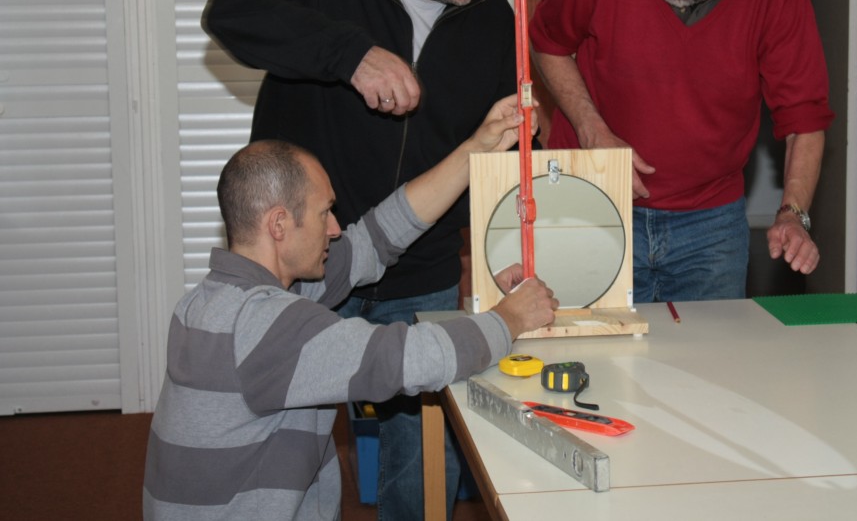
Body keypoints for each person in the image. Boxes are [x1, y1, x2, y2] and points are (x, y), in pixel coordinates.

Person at [201, 0, 518, 519]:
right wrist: (348, 54)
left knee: (424, 457)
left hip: (424, 263)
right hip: (315, 263)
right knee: (294, 446)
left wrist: (505, 244)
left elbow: (495, 151)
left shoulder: (492, 16)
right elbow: (229, 11)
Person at [142, 96, 558, 521]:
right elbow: (408, 358)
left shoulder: (216, 300)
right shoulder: (266, 326)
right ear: (279, 224)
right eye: (324, 213)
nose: (335, 227)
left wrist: (476, 148)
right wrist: (510, 318)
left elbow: (376, 237)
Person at [529, 0, 835, 303]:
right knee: (587, 343)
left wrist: (792, 213)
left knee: (710, 347)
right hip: (591, 202)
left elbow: (805, 117)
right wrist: (592, 129)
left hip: (710, 227)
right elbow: (548, 42)